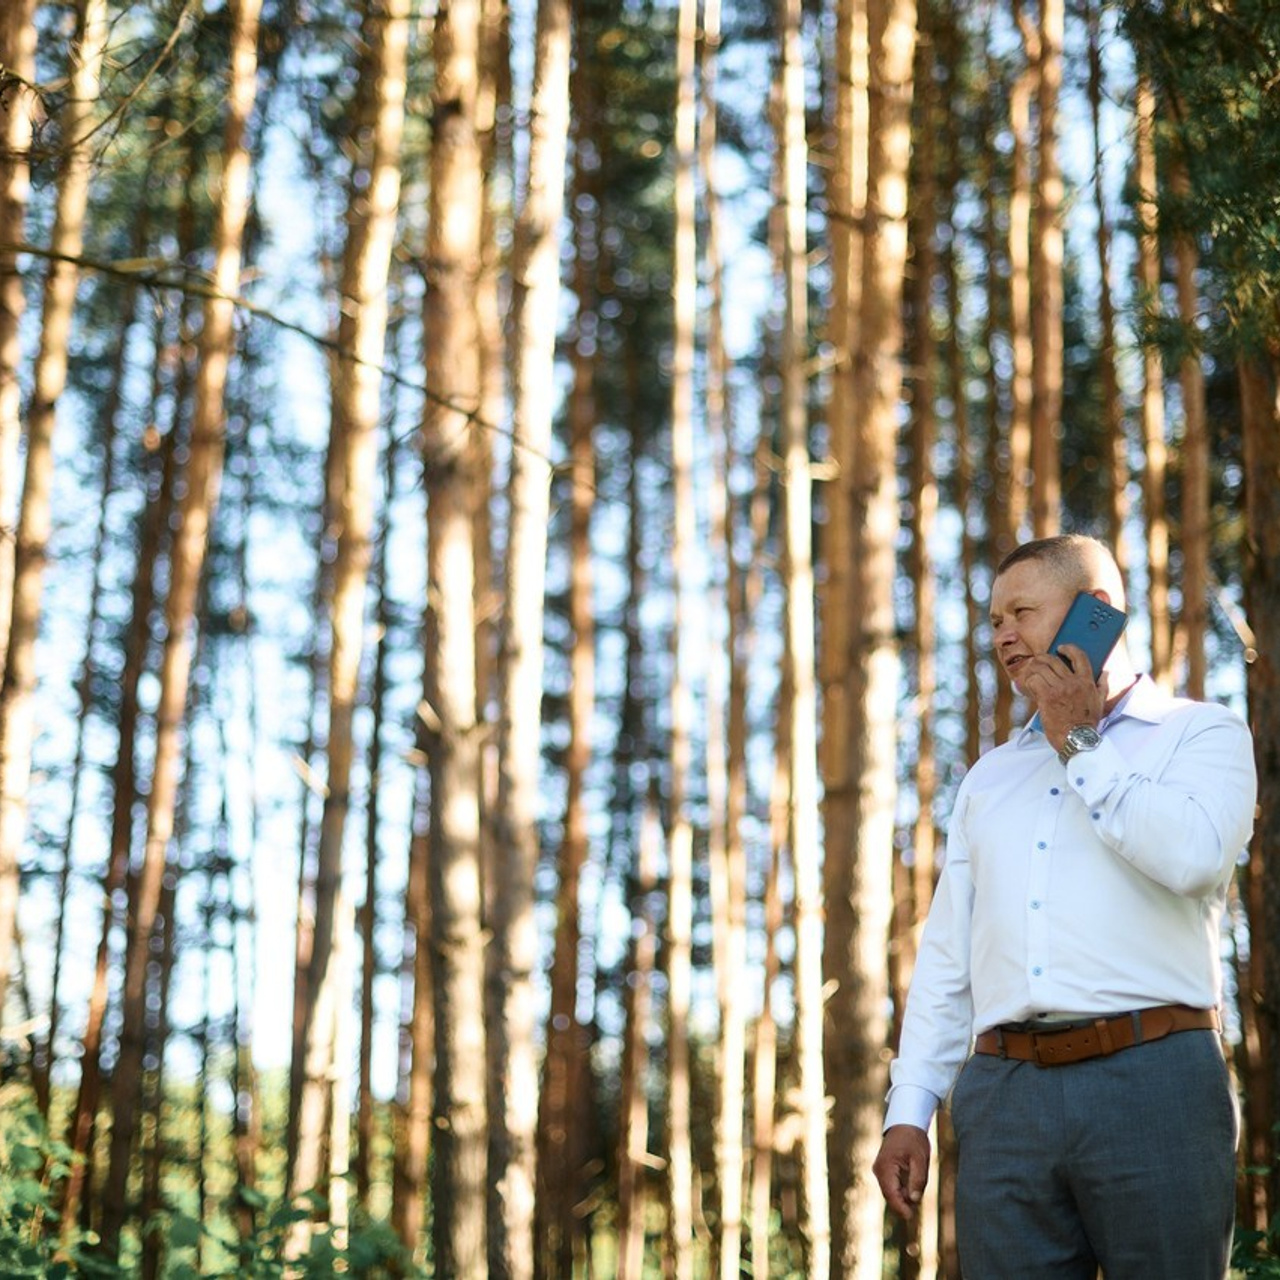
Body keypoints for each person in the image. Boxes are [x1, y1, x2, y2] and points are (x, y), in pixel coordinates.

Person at [872, 534, 1257, 1279]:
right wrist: (909, 1108)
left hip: (1156, 1081)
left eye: (1021, 611)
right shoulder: (989, 779)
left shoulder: (1200, 733)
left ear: (1097, 612)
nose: (1003, 635)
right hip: (1004, 1097)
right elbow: (950, 955)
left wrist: (1079, 740)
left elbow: (1194, 858)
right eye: (993, 621)